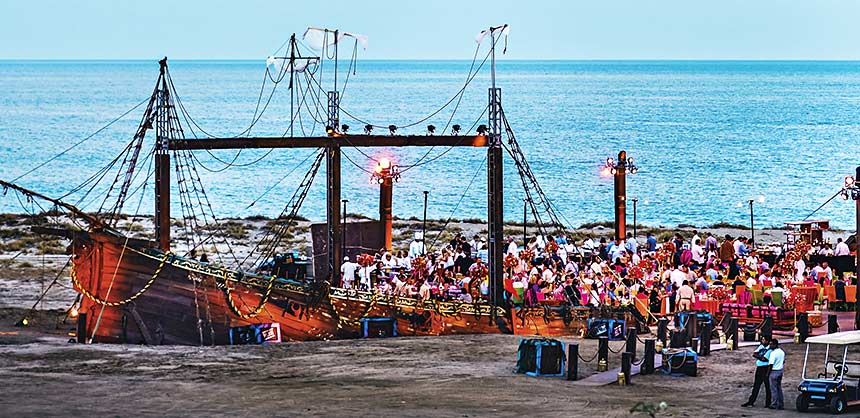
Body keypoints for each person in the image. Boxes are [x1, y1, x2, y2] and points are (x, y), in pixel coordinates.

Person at [742, 336, 772, 407]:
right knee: (756, 385)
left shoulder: (770, 349)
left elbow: (764, 359)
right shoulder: (761, 346)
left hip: (766, 368)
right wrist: (760, 357)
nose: (762, 341)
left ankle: (768, 403)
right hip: (759, 368)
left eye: (764, 340)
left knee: (767, 386)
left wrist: (759, 356)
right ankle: (751, 401)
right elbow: (754, 354)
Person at [767, 338, 785, 410]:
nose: (770, 346)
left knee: (774, 389)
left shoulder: (773, 353)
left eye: (771, 344)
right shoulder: (782, 352)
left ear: (775, 345)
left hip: (774, 371)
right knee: (779, 388)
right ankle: (781, 403)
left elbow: (770, 364)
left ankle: (774, 404)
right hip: (780, 370)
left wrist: (767, 374)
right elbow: (783, 361)